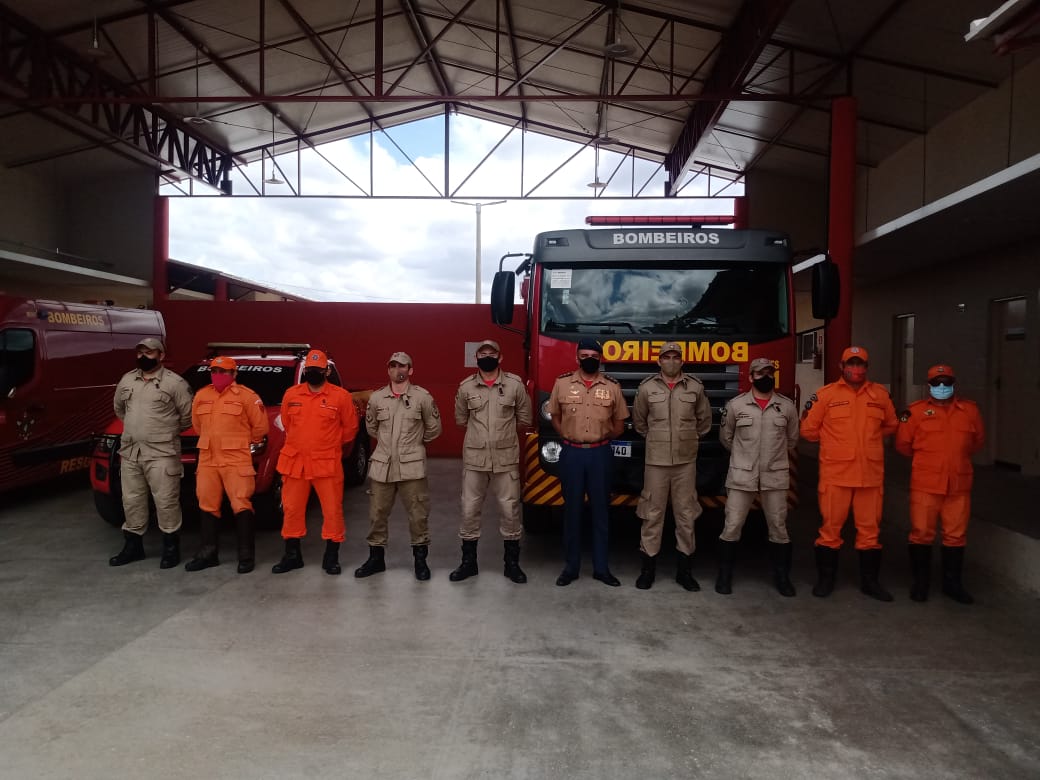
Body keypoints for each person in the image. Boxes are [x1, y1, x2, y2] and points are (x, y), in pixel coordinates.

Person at [800, 346, 899, 601]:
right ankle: (826, 580)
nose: (856, 369)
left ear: (867, 367)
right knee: (830, 530)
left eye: (861, 365)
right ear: (841, 367)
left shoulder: (880, 395)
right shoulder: (826, 395)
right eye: (851, 364)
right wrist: (836, 442)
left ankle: (870, 582)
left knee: (870, 532)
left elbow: (891, 425)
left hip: (870, 476)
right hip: (837, 476)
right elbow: (808, 430)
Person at [895, 363, 985, 604]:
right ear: (929, 385)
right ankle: (921, 583)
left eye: (946, 382)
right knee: (921, 534)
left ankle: (952, 584)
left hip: (958, 485)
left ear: (954, 383)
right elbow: (903, 445)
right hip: (925, 484)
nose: (942, 386)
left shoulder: (970, 411)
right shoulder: (913, 412)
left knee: (956, 536)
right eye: (937, 383)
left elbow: (977, 442)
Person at [547, 338, 629, 587]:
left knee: (601, 511)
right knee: (571, 511)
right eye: (584, 355)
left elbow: (619, 424)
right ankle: (571, 568)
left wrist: (599, 439)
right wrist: (568, 437)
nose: (589, 359)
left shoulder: (612, 386)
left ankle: (601, 568)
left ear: (601, 358)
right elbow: (555, 416)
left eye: (594, 355)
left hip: (600, 454)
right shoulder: (562, 384)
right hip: (572, 454)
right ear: (577, 357)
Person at [354, 351, 443, 581]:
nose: (397, 370)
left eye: (402, 366)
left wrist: (413, 446)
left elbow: (434, 429)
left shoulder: (422, 397)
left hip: (411, 466)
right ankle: (376, 559)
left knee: (417, 514)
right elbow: (372, 427)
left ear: (410, 370)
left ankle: (420, 560)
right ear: (388, 370)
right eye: (393, 366)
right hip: (383, 465)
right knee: (377, 514)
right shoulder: (377, 398)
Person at [450, 339, 533, 583]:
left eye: (492, 353)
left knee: (510, 510)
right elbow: (461, 419)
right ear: (476, 358)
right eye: (483, 353)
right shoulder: (466, 387)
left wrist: (500, 437)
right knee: (469, 510)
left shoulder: (514, 385)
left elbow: (524, 418)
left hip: (506, 458)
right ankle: (468, 563)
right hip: (475, 459)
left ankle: (512, 564)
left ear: (500, 357)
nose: (487, 356)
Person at [631, 341, 711, 591]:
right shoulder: (647, 388)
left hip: (685, 463)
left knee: (686, 515)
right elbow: (640, 422)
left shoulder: (695, 387)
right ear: (659, 361)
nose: (672, 361)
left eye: (676, 357)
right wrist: (658, 441)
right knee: (652, 515)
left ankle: (684, 572)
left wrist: (685, 442)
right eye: (667, 357)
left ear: (682, 361)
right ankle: (648, 570)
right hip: (656, 462)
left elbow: (704, 421)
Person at [108, 336, 193, 569]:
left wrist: (159, 431)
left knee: (166, 501)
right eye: (140, 353)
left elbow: (187, 418)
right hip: (131, 452)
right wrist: (139, 430)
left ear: (161, 355)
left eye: (148, 352)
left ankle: (171, 548)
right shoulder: (127, 380)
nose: (143, 357)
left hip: (162, 453)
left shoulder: (175, 383)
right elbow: (119, 409)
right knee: (132, 500)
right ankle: (133, 547)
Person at [717, 357, 800, 596]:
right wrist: (745, 458)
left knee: (778, 528)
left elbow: (792, 440)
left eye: (769, 372)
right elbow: (727, 438)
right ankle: (724, 576)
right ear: (751, 377)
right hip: (743, 477)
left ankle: (782, 578)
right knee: (732, 526)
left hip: (774, 477)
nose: (765, 377)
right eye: (760, 373)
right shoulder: (736, 406)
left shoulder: (786, 407)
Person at [271, 349, 358, 575]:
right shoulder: (292, 395)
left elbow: (350, 429)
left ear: (326, 371)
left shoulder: (340, 396)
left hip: (326, 463)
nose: (313, 374)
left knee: (332, 510)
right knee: (291, 509)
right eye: (309, 370)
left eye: (318, 370)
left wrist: (327, 444)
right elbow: (288, 424)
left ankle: (331, 557)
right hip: (295, 462)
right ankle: (292, 555)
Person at [184, 356, 268, 574]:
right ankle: (208, 553)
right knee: (206, 503)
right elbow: (197, 425)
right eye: (214, 371)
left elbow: (260, 428)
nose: (218, 375)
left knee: (241, 504)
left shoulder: (248, 397)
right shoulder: (202, 395)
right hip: (208, 458)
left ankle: (246, 555)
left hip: (236, 459)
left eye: (223, 371)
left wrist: (239, 443)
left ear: (234, 374)